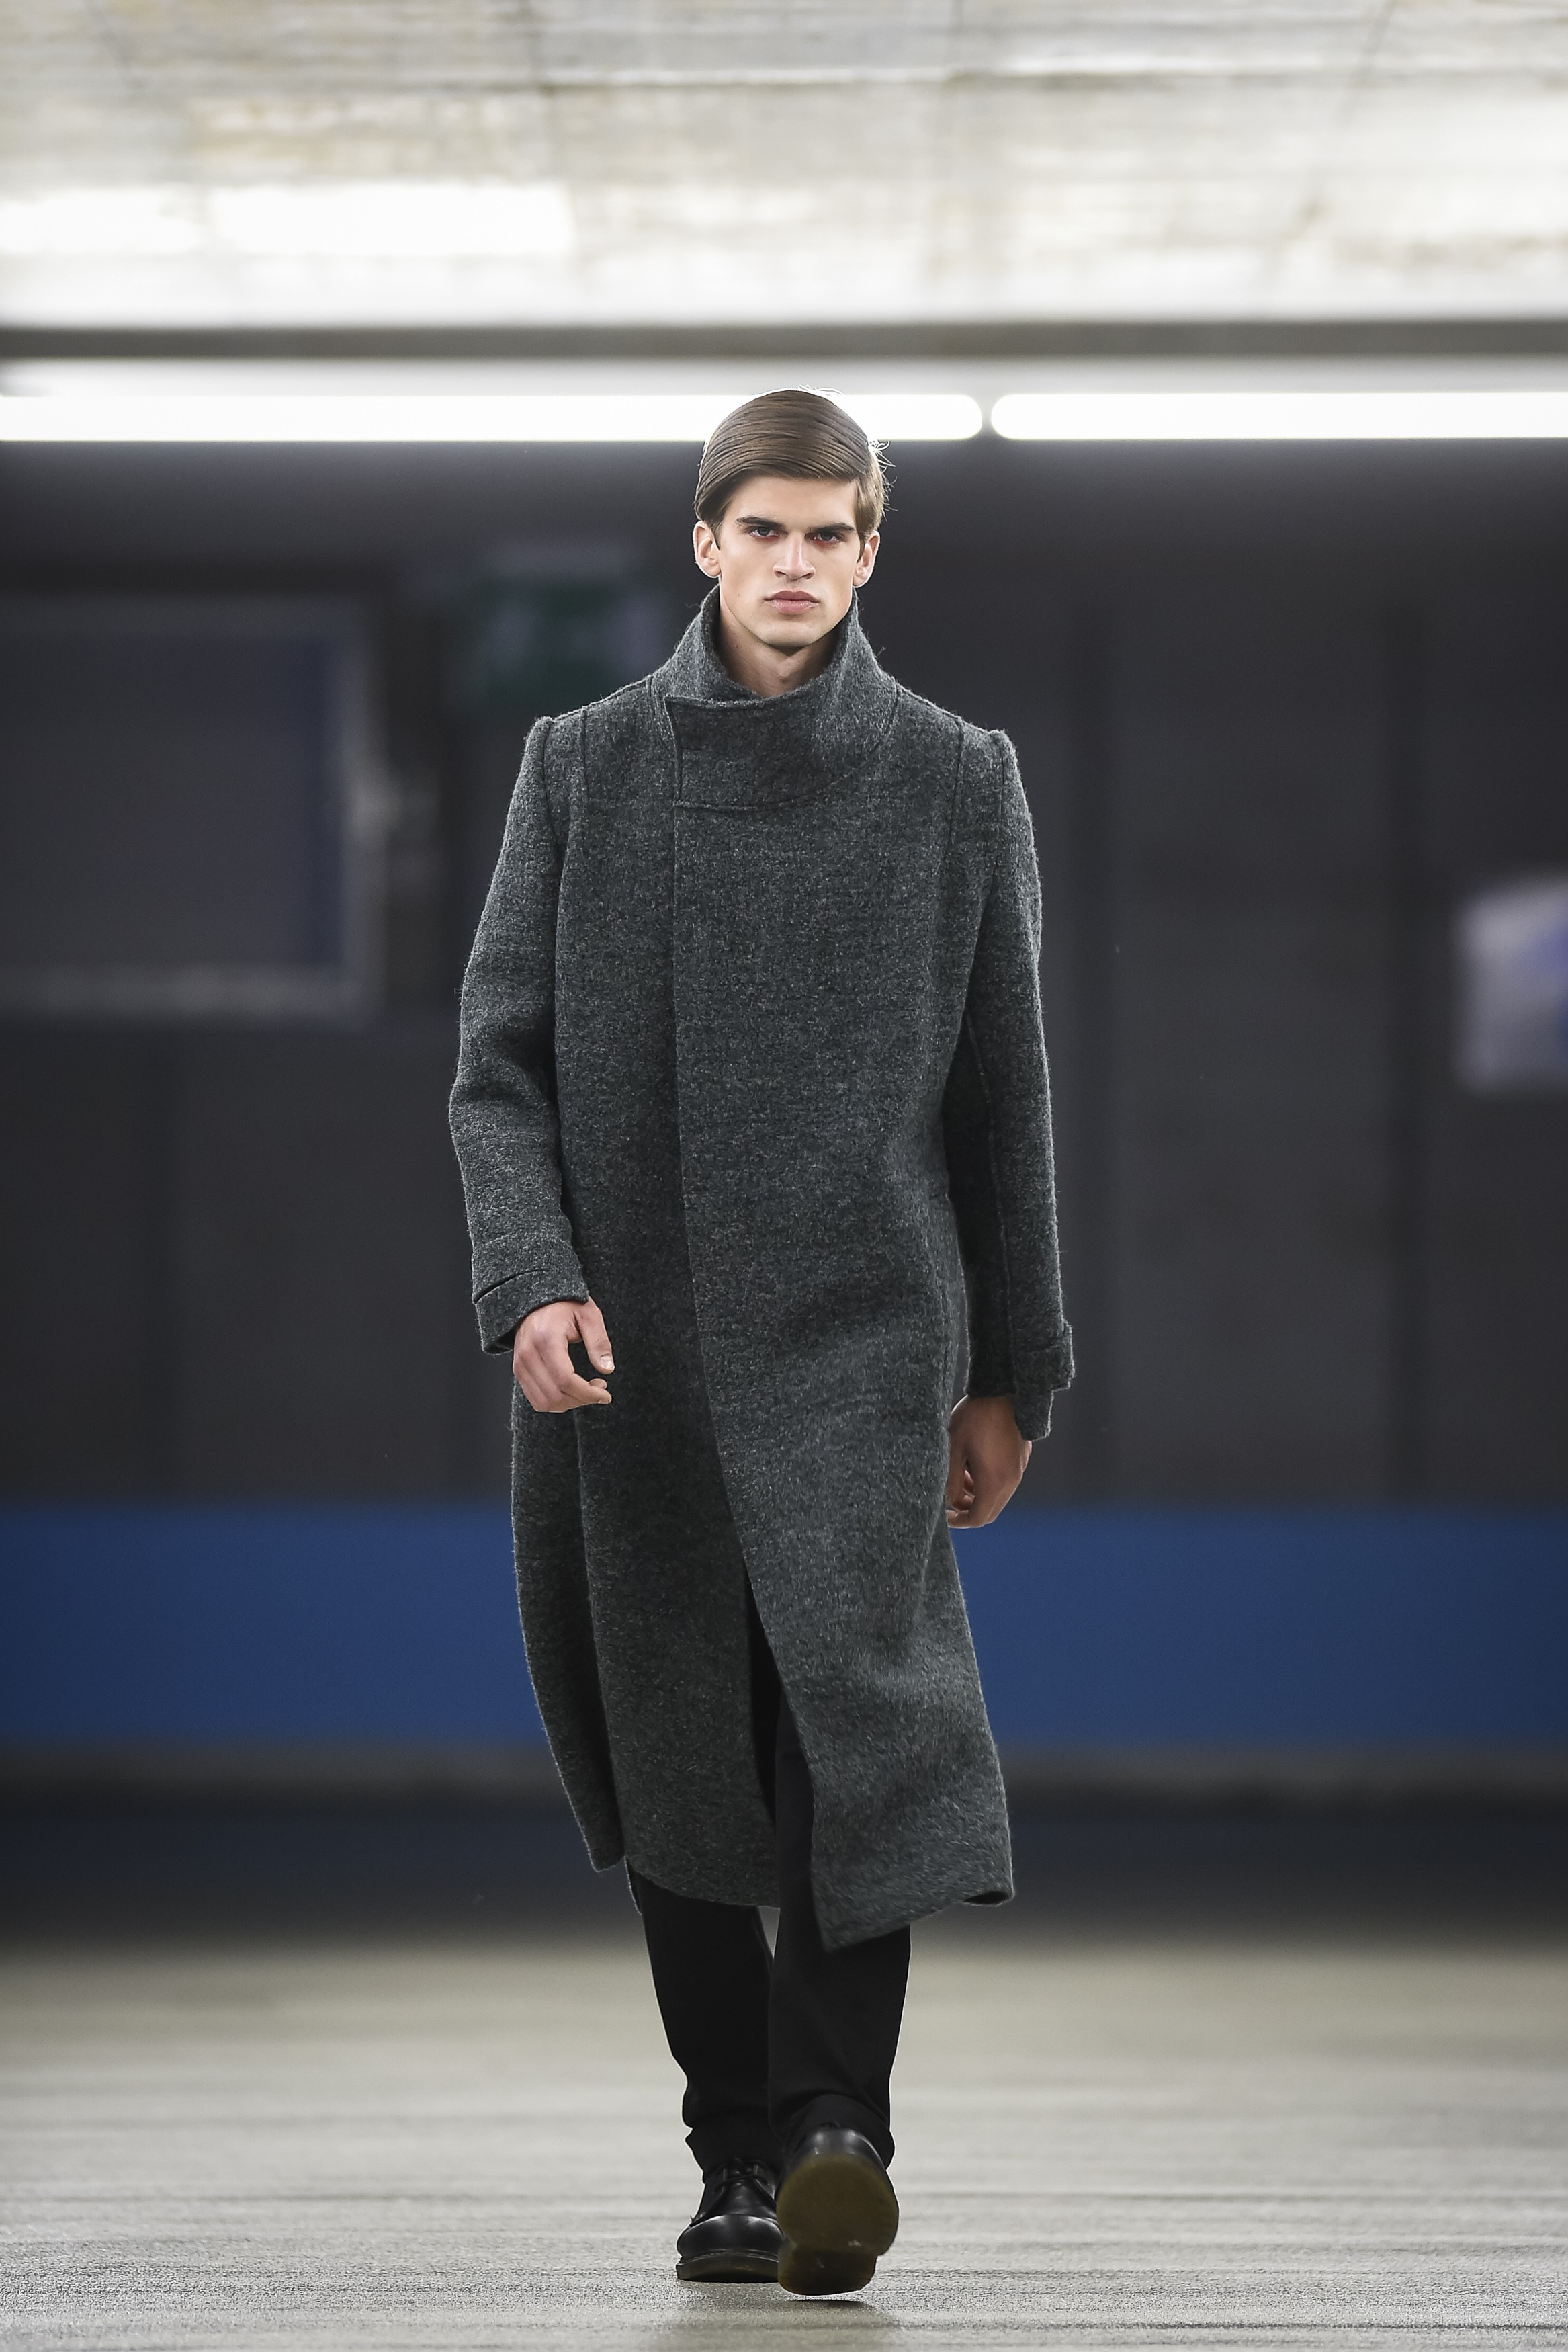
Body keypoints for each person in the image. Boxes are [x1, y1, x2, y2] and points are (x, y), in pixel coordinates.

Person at [449, 388, 1072, 2298]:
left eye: (832, 533)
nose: (797, 563)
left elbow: (1004, 1098)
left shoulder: (954, 778)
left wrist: (1012, 1369)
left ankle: (833, 2133)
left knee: (857, 1736)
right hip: (633, 1349)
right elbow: (499, 1067)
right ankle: (735, 2151)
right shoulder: (583, 767)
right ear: (706, 542)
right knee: (685, 1750)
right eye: (766, 530)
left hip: (864, 1336)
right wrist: (533, 1278)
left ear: (871, 552)